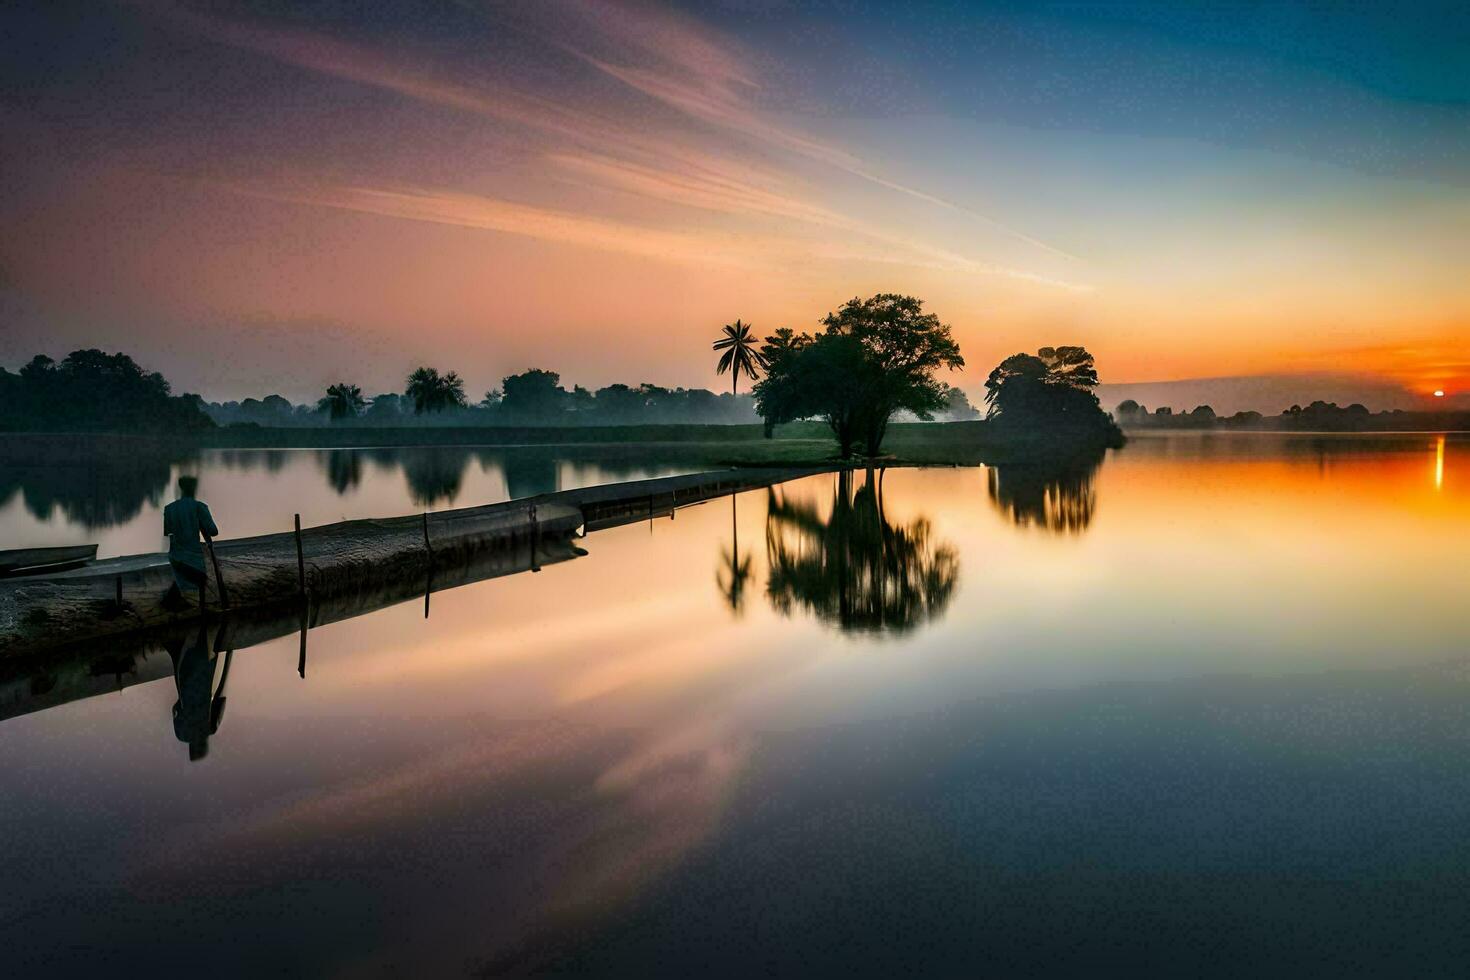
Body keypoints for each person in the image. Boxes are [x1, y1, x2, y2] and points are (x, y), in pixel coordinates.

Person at [162, 475, 219, 611]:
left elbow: (167, 532)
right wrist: (200, 521)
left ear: (180, 488)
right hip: (194, 562)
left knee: (183, 573)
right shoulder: (199, 507)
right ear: (194, 488)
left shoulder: (169, 509)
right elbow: (213, 531)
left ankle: (176, 598)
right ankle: (198, 607)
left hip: (175, 559)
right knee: (202, 581)